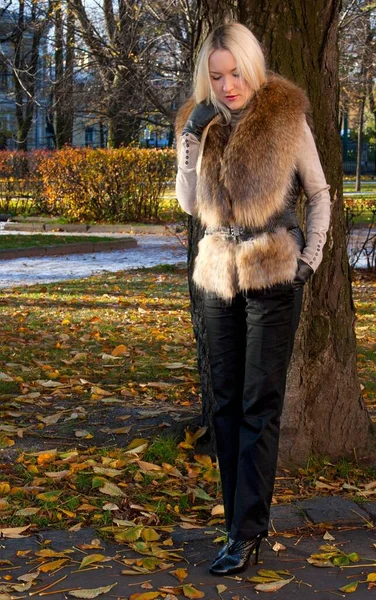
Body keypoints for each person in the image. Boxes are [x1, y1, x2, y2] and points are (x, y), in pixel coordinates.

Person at [174, 22, 331, 577]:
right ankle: (235, 524)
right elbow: (191, 204)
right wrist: (191, 140)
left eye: (235, 72)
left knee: (257, 406)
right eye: (216, 76)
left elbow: (318, 193)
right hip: (219, 272)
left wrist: (308, 260)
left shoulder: (286, 116)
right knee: (222, 404)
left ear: (251, 65)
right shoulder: (202, 122)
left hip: (271, 274)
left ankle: (246, 533)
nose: (227, 84)